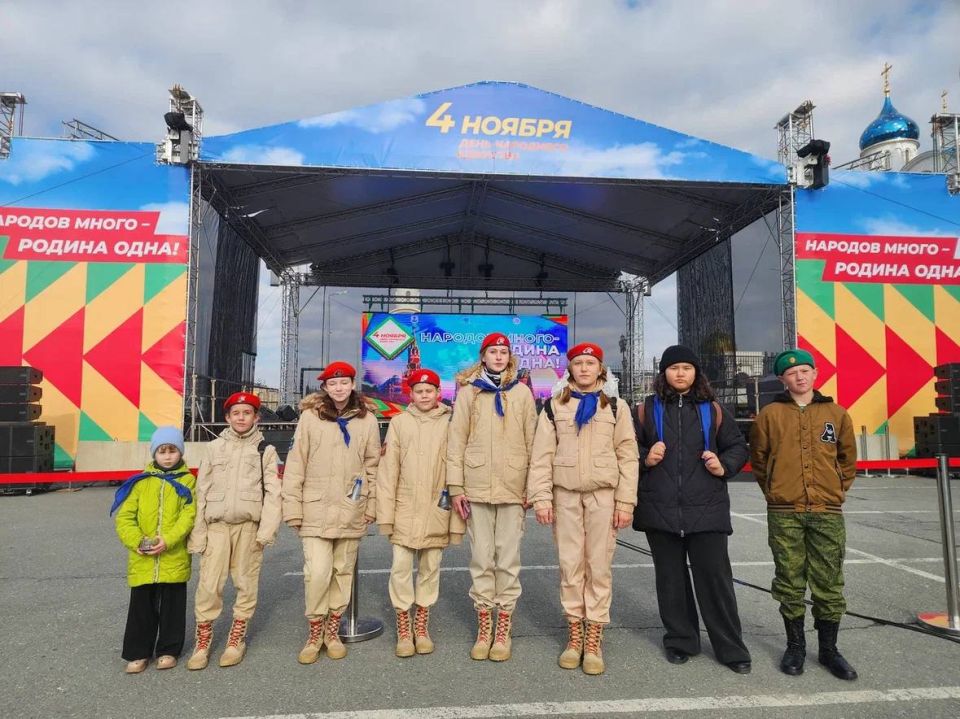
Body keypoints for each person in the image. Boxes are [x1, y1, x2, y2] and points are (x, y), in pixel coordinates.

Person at [633, 345, 752, 673]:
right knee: (671, 581)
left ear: (696, 373)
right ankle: (681, 640)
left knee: (715, 581)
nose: (680, 373)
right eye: (674, 368)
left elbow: (737, 446)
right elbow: (626, 447)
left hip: (707, 510)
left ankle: (731, 648)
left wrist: (723, 465)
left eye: (687, 367)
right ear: (664, 373)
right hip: (660, 510)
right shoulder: (645, 410)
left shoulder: (712, 409)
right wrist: (645, 457)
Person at [526, 343, 638, 675]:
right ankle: (575, 634)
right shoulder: (554, 406)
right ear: (570, 369)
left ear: (600, 368)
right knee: (570, 565)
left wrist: (625, 502)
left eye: (590, 363)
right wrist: (542, 498)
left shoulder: (616, 407)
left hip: (604, 497)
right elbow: (542, 456)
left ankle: (594, 638)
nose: (584, 369)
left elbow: (628, 456)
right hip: (566, 497)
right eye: (578, 363)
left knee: (599, 566)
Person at [750, 349, 858, 680]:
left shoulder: (836, 414)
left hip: (826, 511)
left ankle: (829, 650)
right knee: (789, 581)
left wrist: (836, 491)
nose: (800, 376)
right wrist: (774, 491)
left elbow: (847, 459)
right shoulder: (769, 415)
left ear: (815, 374)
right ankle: (795, 646)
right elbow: (758, 458)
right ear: (782, 379)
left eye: (806, 371)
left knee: (829, 581)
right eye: (792, 373)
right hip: (785, 512)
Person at [447, 332, 537, 661]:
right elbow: (456, 441)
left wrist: (532, 486)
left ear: (509, 357)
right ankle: (485, 623)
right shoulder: (469, 393)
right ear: (482, 357)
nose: (498, 357)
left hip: (513, 487)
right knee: (481, 559)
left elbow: (534, 441)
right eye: (492, 352)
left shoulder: (523, 393)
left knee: (508, 560)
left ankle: (503, 629)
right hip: (477, 486)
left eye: (503, 352)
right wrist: (456, 487)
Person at [282, 361, 380, 664]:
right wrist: (292, 508)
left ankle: (332, 631)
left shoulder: (367, 420)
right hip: (315, 509)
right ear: (324, 387)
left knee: (342, 571)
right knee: (317, 572)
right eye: (332, 384)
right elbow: (296, 462)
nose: (339, 388)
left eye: (344, 383)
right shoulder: (310, 418)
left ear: (352, 385)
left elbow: (373, 465)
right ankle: (314, 633)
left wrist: (371, 505)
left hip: (351, 508)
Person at [185, 392, 282, 670]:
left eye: (247, 413)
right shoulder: (214, 448)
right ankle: (202, 642)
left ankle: (235, 639)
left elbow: (273, 494)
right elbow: (201, 491)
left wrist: (266, 532)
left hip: (248, 528)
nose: (241, 418)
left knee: (246, 583)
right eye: (236, 413)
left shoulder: (266, 450)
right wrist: (198, 533)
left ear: (256, 417)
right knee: (208, 585)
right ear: (227, 417)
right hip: (216, 527)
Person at [377, 368, 466, 657]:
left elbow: (457, 468)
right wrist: (386, 515)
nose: (424, 395)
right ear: (410, 394)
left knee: (430, 569)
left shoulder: (451, 422)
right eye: (419, 391)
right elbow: (388, 471)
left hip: (437, 508)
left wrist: (455, 519)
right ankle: (404, 626)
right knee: (401, 569)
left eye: (430, 391)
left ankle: (421, 624)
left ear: (438, 393)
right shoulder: (400, 423)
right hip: (405, 507)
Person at [111, 426, 196, 673]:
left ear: (180, 452)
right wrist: (137, 540)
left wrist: (167, 539)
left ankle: (169, 649)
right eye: (162, 451)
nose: (168, 456)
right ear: (154, 454)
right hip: (143, 558)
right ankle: (138, 652)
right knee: (141, 606)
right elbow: (125, 518)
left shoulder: (188, 481)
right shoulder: (141, 482)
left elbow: (188, 516)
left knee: (173, 605)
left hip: (173, 555)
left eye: (172, 450)